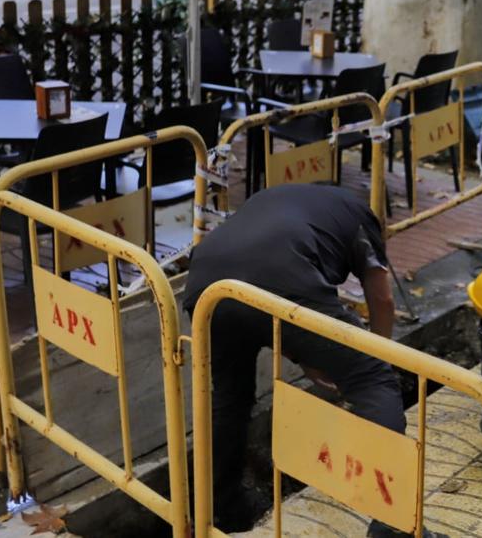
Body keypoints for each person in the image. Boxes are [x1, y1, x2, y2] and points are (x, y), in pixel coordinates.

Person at [184, 184, 438, 537]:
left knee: (230, 398)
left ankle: (220, 510)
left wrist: (305, 355)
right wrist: (373, 358)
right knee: (374, 379)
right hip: (278, 275)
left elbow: (285, 305)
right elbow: (382, 301)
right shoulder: (361, 219)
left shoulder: (289, 203)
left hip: (205, 286)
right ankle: (393, 526)